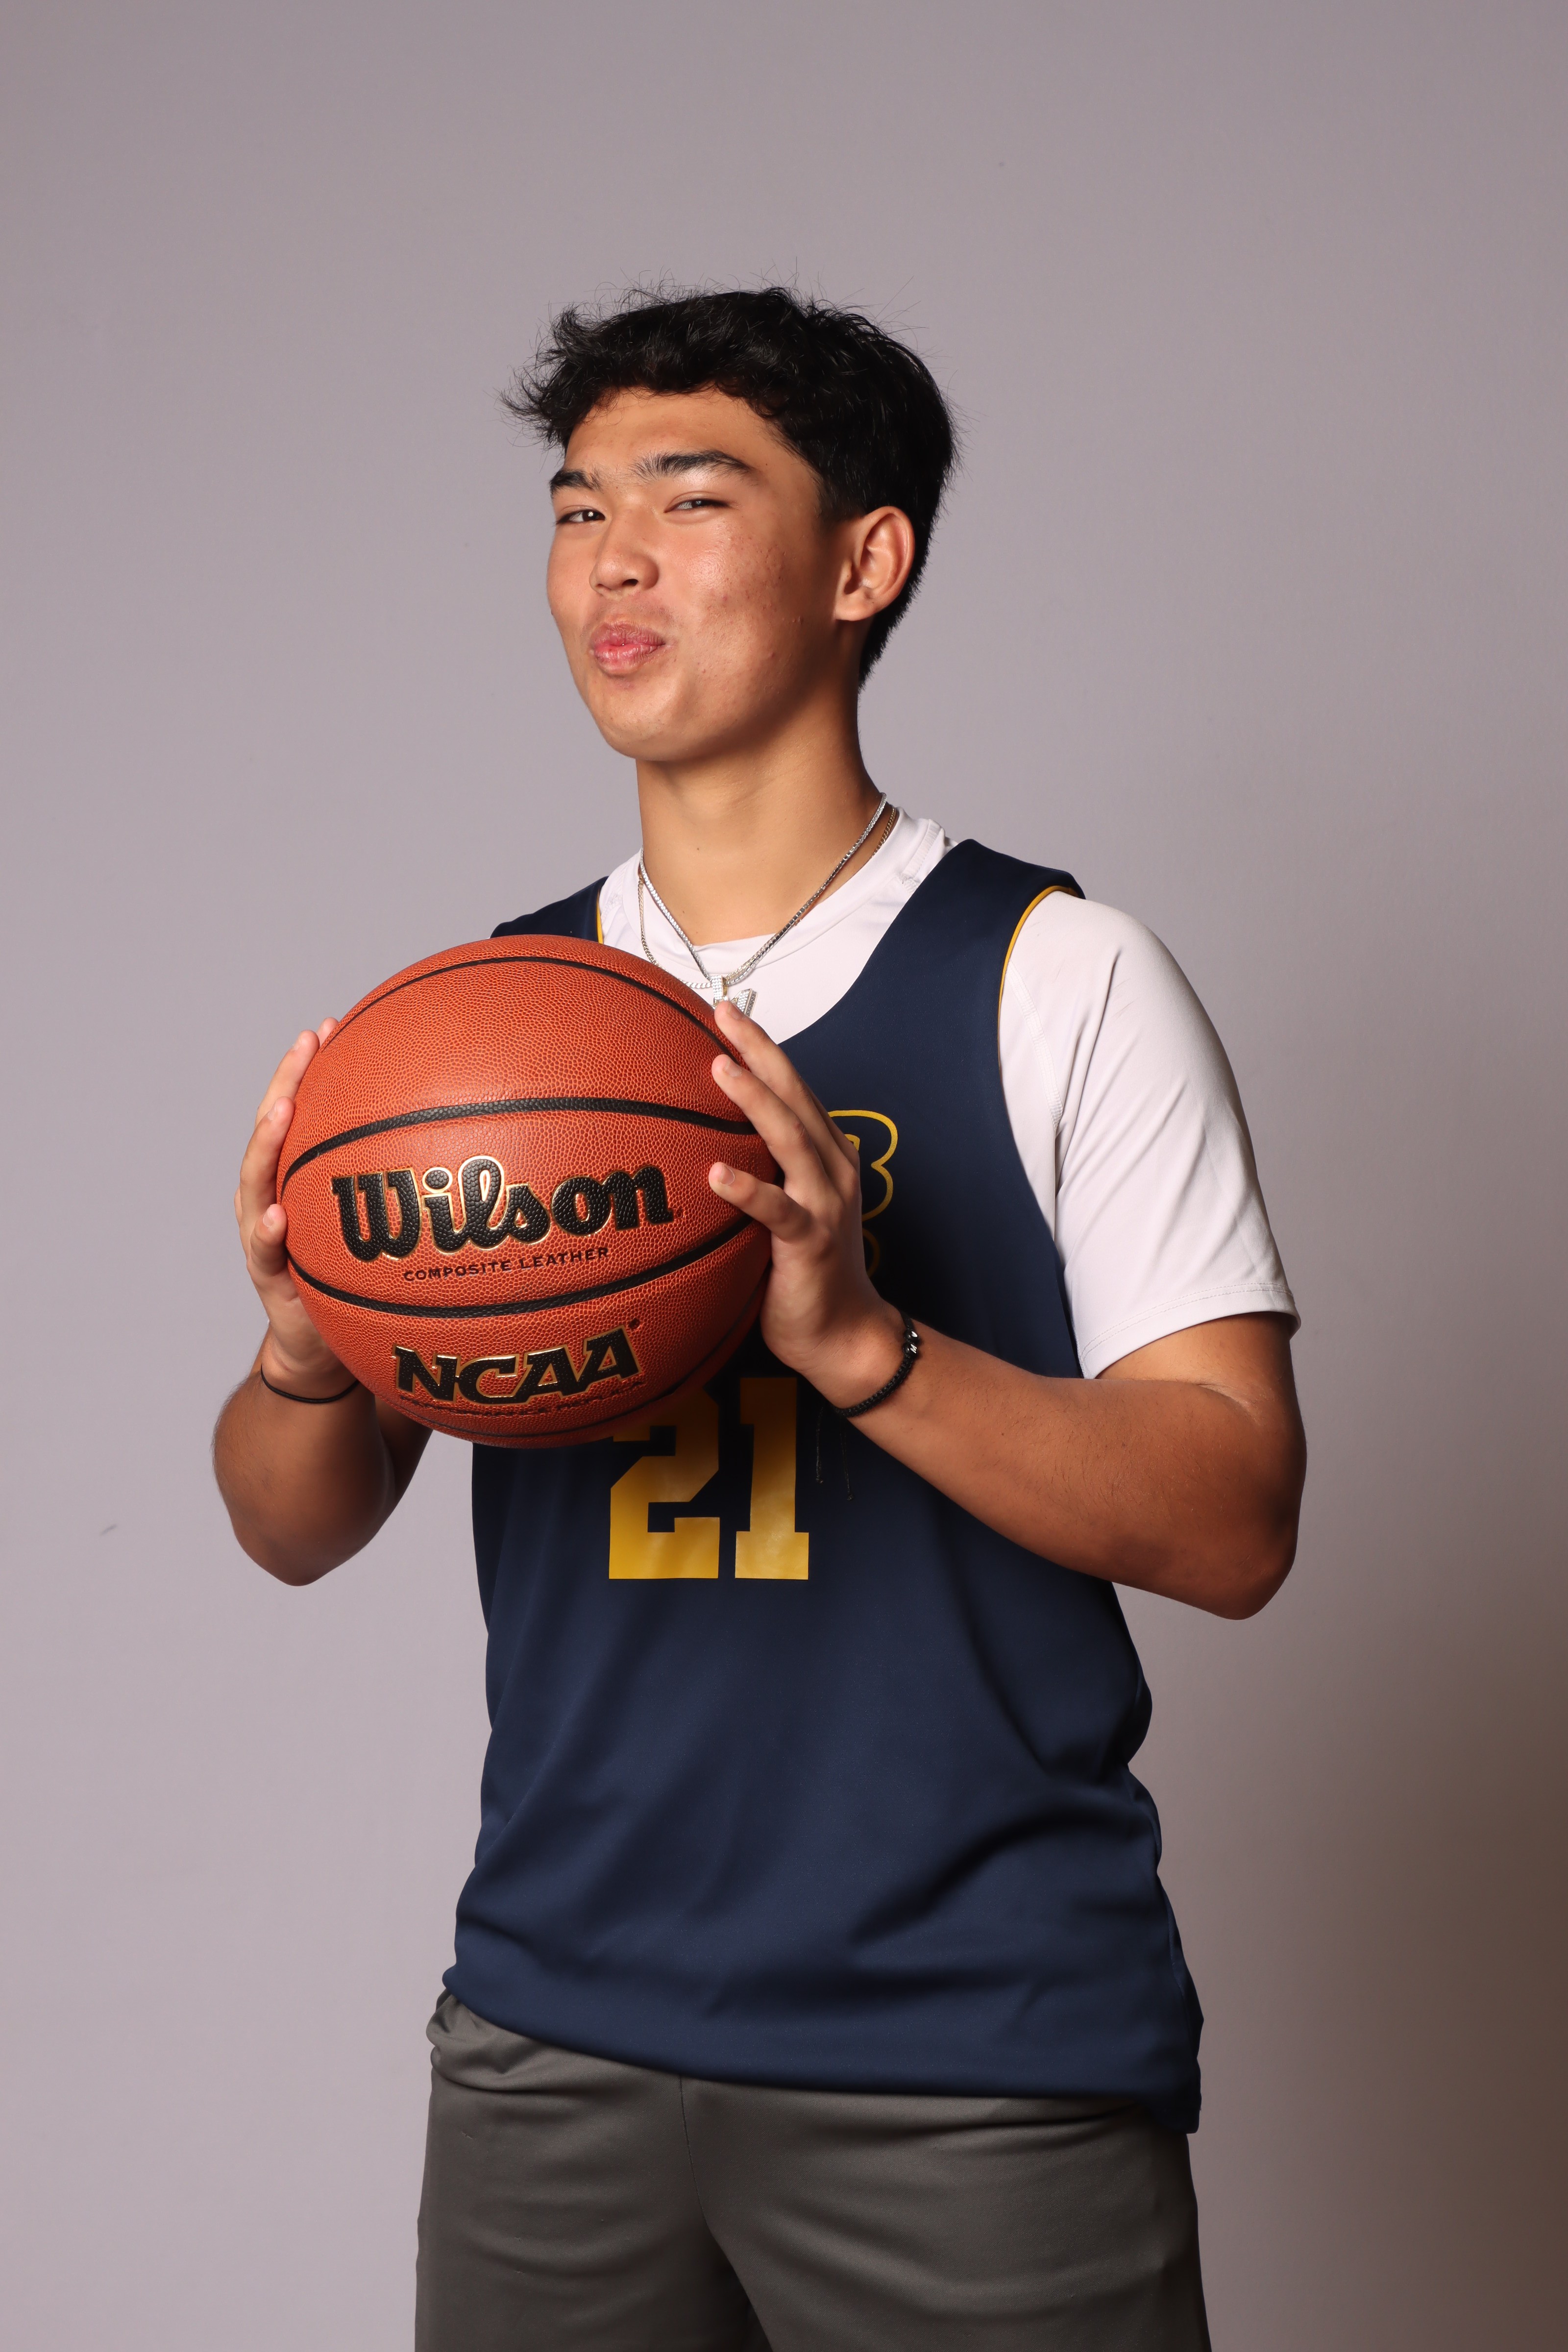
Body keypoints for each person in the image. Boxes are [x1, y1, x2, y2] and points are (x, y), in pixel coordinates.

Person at [215, 287, 1304, 2352]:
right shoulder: (478, 1028)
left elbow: (1235, 1518)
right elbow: (288, 1524)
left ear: (863, 562)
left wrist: (862, 1345)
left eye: (689, 499)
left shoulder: (1055, 975)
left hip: (972, 2054)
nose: (611, 562)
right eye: (577, 510)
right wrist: (300, 1348)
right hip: (550, 2033)